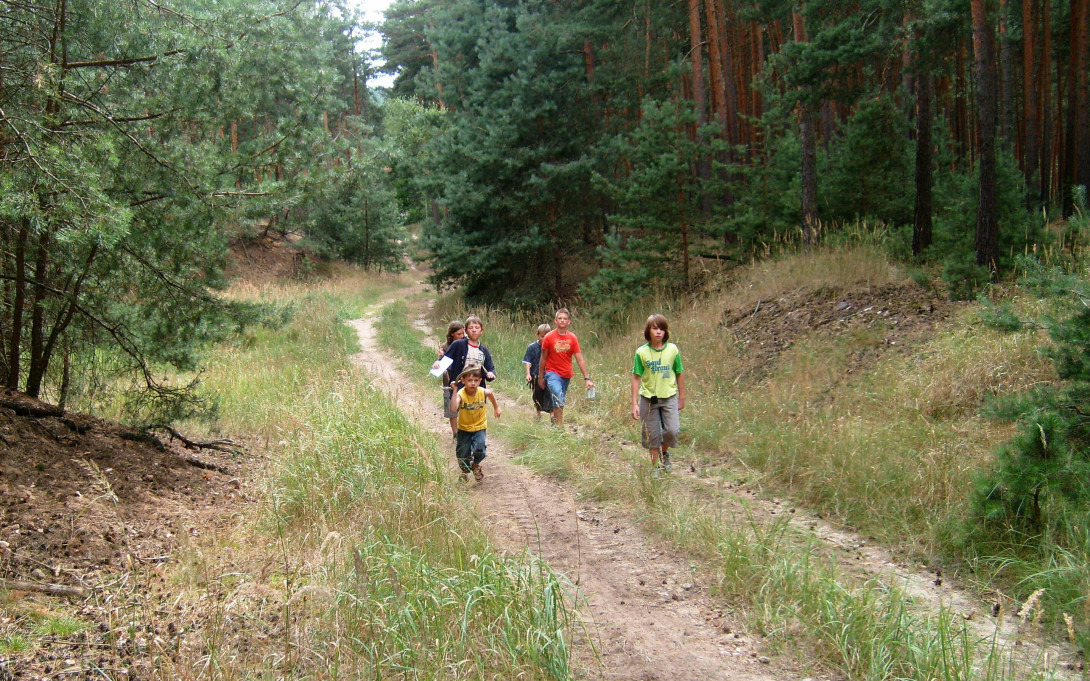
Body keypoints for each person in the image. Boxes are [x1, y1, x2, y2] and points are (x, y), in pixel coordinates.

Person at [630, 314, 685, 473]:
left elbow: (679, 373)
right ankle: (655, 467)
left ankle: (664, 452)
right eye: (655, 328)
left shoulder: (673, 350)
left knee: (672, 431)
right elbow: (636, 377)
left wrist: (682, 398)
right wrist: (634, 403)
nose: (658, 332)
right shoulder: (641, 352)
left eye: (661, 328)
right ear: (648, 331)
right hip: (648, 399)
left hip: (669, 397)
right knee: (652, 435)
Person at [537, 308, 593, 428]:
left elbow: (579, 358)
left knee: (559, 400)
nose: (562, 320)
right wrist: (540, 376)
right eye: (560, 318)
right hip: (552, 373)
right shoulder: (549, 337)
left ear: (569, 322)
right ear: (555, 321)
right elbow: (543, 358)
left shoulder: (572, 338)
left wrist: (586, 378)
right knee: (558, 395)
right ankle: (560, 427)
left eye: (565, 319)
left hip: (566, 374)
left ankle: (555, 423)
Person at [450, 367, 502, 482]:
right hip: (464, 429)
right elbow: (453, 409)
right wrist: (454, 391)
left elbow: (491, 393)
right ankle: (465, 471)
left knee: (480, 449)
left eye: (475, 380)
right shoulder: (460, 394)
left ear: (480, 380)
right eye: (469, 380)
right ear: (463, 381)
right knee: (462, 453)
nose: (472, 383)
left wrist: (496, 408)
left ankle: (476, 464)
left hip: (480, 427)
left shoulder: (483, 392)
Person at [435, 315, 496, 391]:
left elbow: (490, 368)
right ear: (466, 330)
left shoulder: (484, 350)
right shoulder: (457, 345)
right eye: (470, 328)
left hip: (478, 390)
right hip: (459, 388)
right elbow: (445, 359)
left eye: (477, 328)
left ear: (481, 330)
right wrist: (438, 363)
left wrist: (491, 374)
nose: (474, 330)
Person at [439, 320, 466, 437]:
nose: (462, 336)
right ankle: (455, 433)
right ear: (452, 334)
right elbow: (442, 366)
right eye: (459, 334)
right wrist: (440, 358)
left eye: (463, 333)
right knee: (452, 408)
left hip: (465, 379)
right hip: (450, 381)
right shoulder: (445, 347)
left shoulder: (466, 344)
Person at [522, 323, 553, 420]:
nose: (544, 339)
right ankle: (538, 414)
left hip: (549, 375)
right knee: (537, 395)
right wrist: (528, 374)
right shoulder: (532, 347)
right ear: (537, 335)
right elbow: (527, 361)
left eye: (546, 337)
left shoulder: (552, 347)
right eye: (542, 336)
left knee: (550, 395)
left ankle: (552, 416)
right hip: (535, 374)